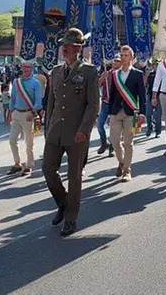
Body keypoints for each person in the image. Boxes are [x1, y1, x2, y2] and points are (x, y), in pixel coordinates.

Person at [43, 28, 100, 237]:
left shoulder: (89, 72)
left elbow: (93, 105)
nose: (63, 48)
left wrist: (84, 130)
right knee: (48, 169)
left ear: (78, 48)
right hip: (56, 130)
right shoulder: (56, 71)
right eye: (63, 45)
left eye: (68, 45)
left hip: (77, 133)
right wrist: (48, 127)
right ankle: (63, 203)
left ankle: (70, 217)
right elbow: (51, 102)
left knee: (74, 176)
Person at [107, 45, 147, 182]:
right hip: (116, 112)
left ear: (131, 57)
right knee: (114, 141)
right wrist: (108, 113)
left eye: (126, 55)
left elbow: (142, 95)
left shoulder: (138, 74)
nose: (123, 58)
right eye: (121, 55)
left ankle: (127, 170)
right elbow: (112, 95)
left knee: (128, 143)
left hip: (130, 112)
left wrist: (142, 113)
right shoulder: (115, 75)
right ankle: (121, 161)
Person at [7, 60, 43, 176]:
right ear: (21, 68)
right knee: (12, 140)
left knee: (29, 142)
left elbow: (38, 100)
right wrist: (10, 112)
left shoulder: (35, 83)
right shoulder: (16, 82)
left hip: (28, 114)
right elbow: (13, 99)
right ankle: (17, 164)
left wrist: (33, 112)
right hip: (16, 113)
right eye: (24, 67)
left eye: (28, 67)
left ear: (31, 69)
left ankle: (29, 165)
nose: (26, 69)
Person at [96, 56, 121, 156]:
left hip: (116, 105)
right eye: (114, 61)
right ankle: (103, 142)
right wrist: (103, 77)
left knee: (113, 127)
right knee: (99, 125)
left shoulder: (122, 74)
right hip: (106, 103)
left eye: (118, 61)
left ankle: (112, 146)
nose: (115, 63)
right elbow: (97, 85)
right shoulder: (107, 73)